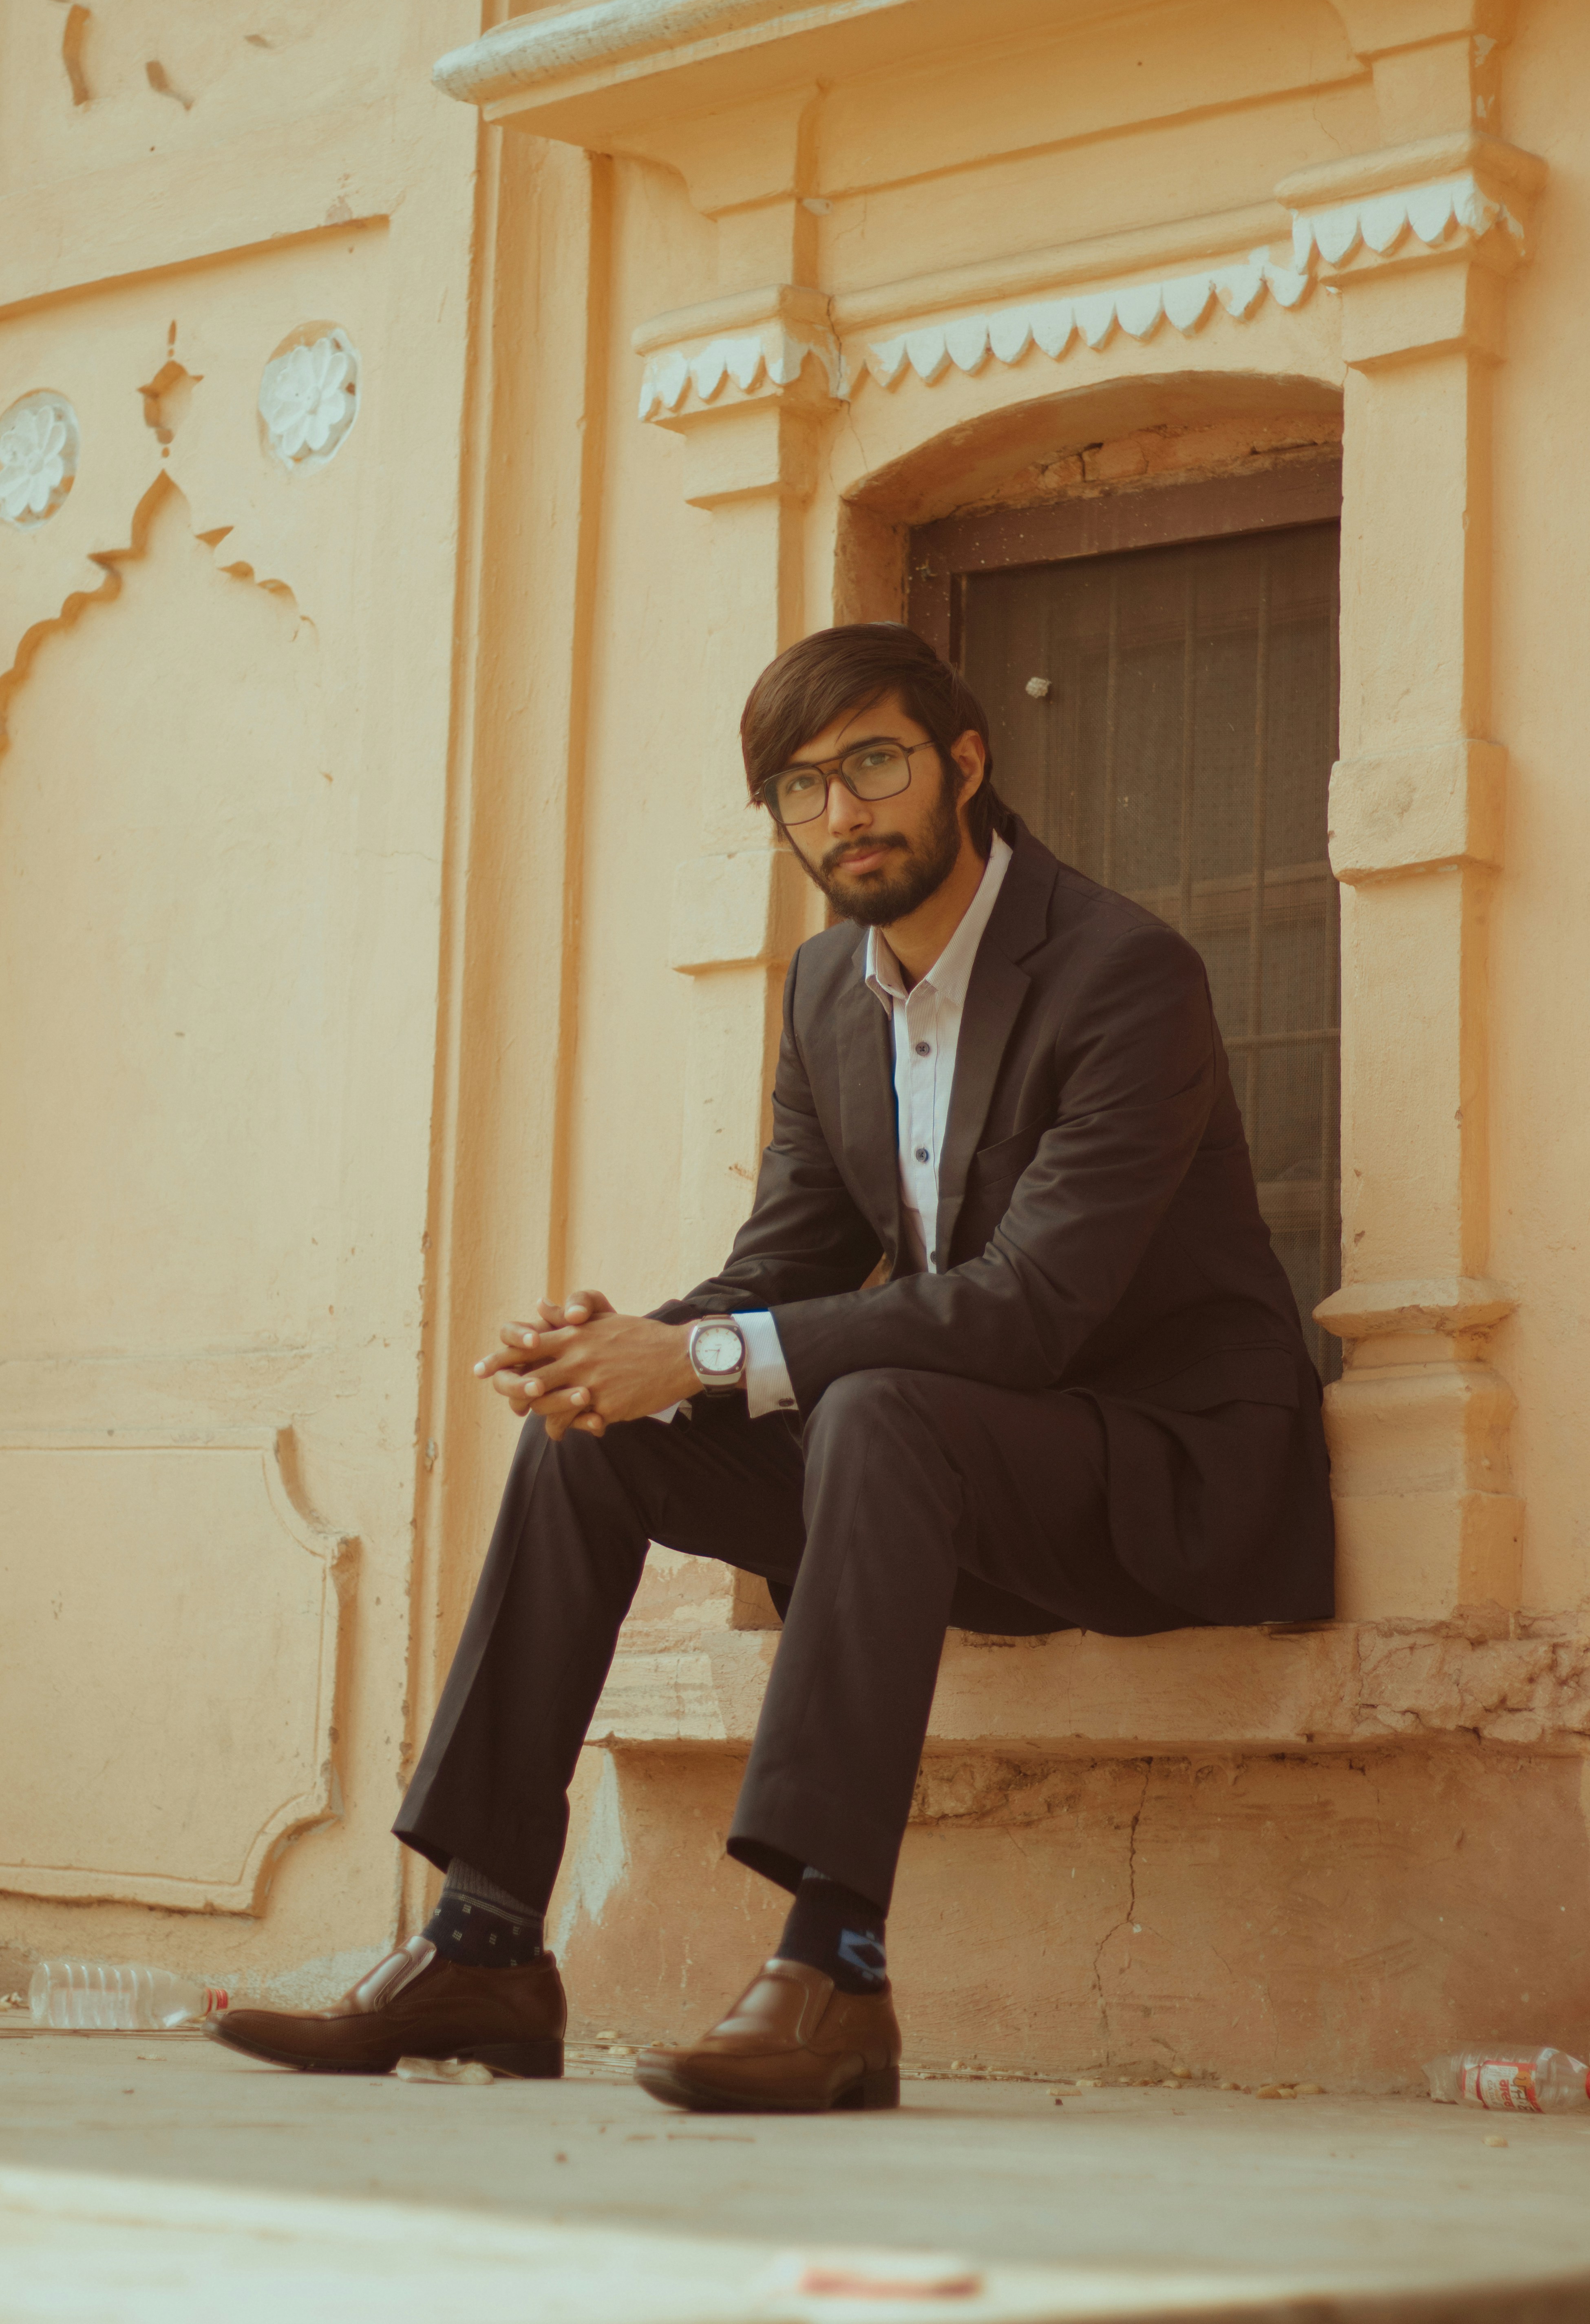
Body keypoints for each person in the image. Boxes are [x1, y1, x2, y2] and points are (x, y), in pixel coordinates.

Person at [208, 622, 1334, 2112]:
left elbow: (1027, 1312)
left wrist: (702, 1354)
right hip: (945, 1485)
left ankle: (833, 1972)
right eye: (799, 788)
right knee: (586, 1437)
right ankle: (485, 1939)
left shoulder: (1124, 973)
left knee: (870, 1401)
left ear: (965, 764)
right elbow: (785, 1263)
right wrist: (622, 1355)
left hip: (1159, 1477)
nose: (840, 816)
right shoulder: (822, 993)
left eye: (872, 764)